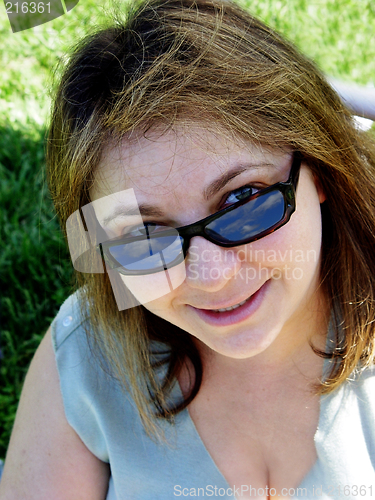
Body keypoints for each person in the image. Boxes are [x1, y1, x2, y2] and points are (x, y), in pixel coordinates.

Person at [1, 0, 375, 498]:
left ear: (321, 171)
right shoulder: (89, 353)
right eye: (143, 234)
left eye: (243, 200)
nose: (209, 273)